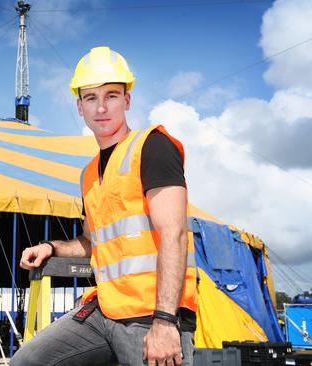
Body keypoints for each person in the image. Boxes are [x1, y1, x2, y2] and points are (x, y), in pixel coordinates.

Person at [11, 46, 198, 366]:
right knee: (27, 362)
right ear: (79, 106)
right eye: (90, 97)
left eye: (111, 95)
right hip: (105, 311)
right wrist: (51, 247)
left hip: (151, 315)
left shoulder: (152, 146)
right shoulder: (90, 175)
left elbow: (174, 234)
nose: (101, 107)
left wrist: (165, 322)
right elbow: (92, 241)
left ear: (127, 100)